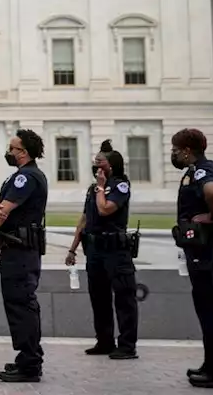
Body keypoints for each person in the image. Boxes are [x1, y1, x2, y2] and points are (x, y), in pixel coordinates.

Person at [0, 128, 49, 383]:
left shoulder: (26, 177)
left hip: (21, 253)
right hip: (16, 251)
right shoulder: (21, 176)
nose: (9, 152)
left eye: (12, 148)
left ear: (23, 152)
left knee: (21, 306)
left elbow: (1, 213)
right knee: (19, 305)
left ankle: (30, 364)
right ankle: (27, 358)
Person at [171, 128, 213, 391]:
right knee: (209, 310)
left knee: (211, 312)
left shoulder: (202, 170)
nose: (173, 154)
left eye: (176, 150)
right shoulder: (201, 168)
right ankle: (211, 365)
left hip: (211, 250)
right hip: (211, 250)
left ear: (188, 150)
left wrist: (212, 216)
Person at [66, 140, 138, 360]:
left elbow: (105, 209)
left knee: (124, 299)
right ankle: (104, 341)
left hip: (115, 250)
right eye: (95, 162)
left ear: (112, 165)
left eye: (100, 162)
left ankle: (127, 345)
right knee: (99, 298)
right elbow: (85, 218)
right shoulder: (93, 189)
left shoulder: (120, 185)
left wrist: (100, 187)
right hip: (95, 250)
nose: (96, 166)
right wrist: (72, 248)